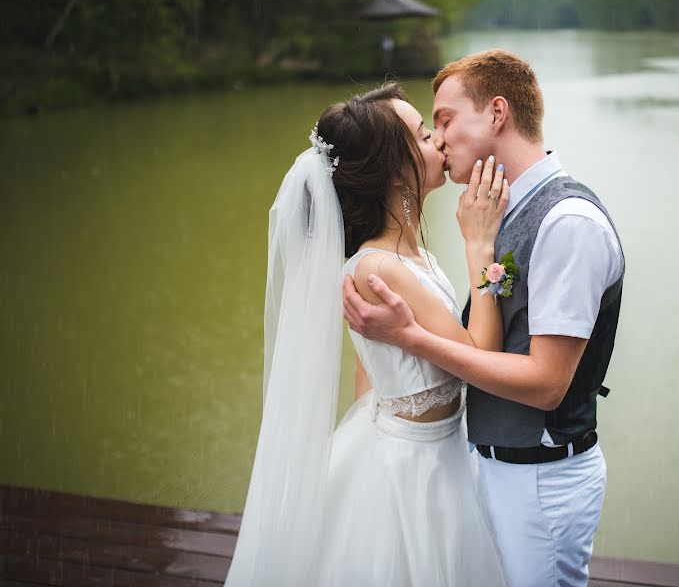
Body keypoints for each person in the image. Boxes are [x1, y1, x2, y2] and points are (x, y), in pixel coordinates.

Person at [343, 49, 625, 587]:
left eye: (445, 120)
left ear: (497, 114)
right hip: (487, 468)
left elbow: (546, 385)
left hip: (541, 481)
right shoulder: (503, 214)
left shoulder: (567, 223)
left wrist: (409, 337)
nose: (440, 139)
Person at [223, 82, 510, 585]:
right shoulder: (380, 267)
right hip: (413, 468)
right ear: (397, 170)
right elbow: (482, 359)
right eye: (425, 135)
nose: (440, 142)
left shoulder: (405, 256)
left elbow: (367, 367)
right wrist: (481, 245)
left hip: (427, 453)